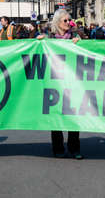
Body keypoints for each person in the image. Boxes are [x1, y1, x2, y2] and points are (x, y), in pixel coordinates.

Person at [37, 9, 83, 159]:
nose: (69, 23)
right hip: (55, 82)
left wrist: (80, 41)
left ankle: (74, 147)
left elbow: (87, 51)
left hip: (72, 82)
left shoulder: (75, 36)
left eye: (69, 20)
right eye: (65, 20)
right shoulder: (49, 38)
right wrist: (39, 41)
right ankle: (58, 147)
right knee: (56, 115)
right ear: (57, 22)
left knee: (74, 115)